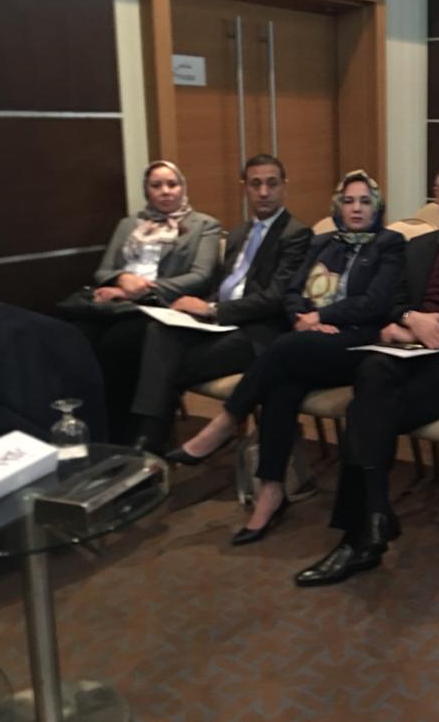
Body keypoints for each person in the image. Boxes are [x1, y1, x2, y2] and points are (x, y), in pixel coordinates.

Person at [294, 158, 439, 587]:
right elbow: (395, 302)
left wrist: (438, 326)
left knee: (365, 412)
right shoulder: (416, 247)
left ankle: (360, 534)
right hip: (412, 354)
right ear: (436, 194)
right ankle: (374, 518)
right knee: (373, 371)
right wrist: (411, 319)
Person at [164, 171, 405, 545]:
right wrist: (303, 319)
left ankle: (226, 421)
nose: (356, 208)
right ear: (337, 206)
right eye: (348, 201)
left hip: (357, 342)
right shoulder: (323, 242)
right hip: (309, 338)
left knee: (282, 350)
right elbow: (292, 292)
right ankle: (271, 490)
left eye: (365, 201)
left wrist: (321, 316)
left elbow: (374, 302)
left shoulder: (389, 244)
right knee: (282, 385)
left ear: (378, 207)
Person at [130, 155, 311, 452]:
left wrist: (213, 310)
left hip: (257, 333)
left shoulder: (297, 234)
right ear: (245, 188)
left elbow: (276, 298)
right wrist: (199, 307)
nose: (263, 192)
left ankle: (149, 443)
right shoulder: (238, 233)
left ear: (284, 187)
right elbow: (224, 285)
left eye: (272, 184)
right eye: (255, 184)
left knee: (166, 366)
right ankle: (151, 439)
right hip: (221, 324)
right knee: (157, 332)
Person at [70, 160, 221, 441]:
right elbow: (103, 271)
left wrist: (143, 290)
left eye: (172, 184)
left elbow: (200, 277)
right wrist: (122, 278)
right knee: (79, 335)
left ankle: (128, 435)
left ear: (183, 187)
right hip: (119, 303)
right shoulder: (129, 224)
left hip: (163, 306)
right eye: (156, 185)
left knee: (119, 343)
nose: (165, 191)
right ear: (146, 191)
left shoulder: (204, 225)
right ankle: (92, 426)